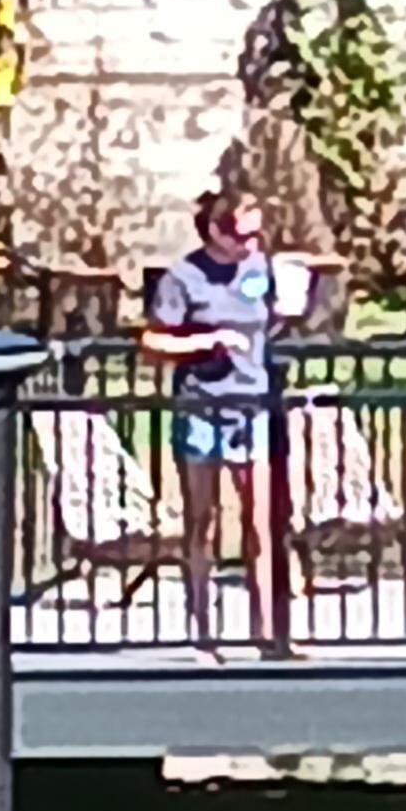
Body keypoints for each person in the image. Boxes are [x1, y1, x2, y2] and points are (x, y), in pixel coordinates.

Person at [139, 184, 291, 656]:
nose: (253, 243)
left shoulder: (260, 268)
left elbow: (264, 324)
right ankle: (202, 629)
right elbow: (153, 343)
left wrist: (287, 313)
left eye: (257, 234)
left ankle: (268, 632)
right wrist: (208, 342)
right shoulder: (183, 277)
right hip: (202, 403)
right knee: (201, 519)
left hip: (252, 402)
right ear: (217, 234)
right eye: (244, 235)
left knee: (260, 522)